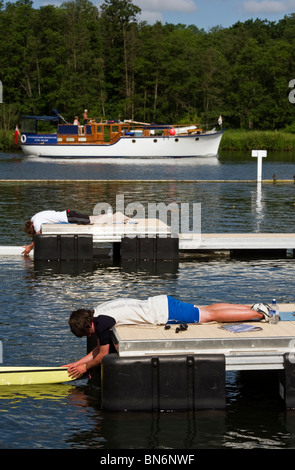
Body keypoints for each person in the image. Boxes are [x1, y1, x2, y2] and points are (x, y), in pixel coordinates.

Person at [64, 296, 270, 379]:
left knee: (208, 316)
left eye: (85, 334)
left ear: (87, 327)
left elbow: (102, 355)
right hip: (161, 302)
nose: (88, 336)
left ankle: (259, 314)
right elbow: (98, 350)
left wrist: (85, 368)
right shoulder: (98, 311)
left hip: (163, 314)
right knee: (206, 311)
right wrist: (77, 363)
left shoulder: (100, 324)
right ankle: (252, 308)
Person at [23, 209, 130, 255]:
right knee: (91, 219)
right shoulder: (34, 217)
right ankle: (114, 217)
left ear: (31, 226)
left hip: (70, 217)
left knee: (91, 221)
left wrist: (30, 247)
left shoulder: (36, 222)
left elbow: (38, 235)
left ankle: (117, 217)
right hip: (69, 215)